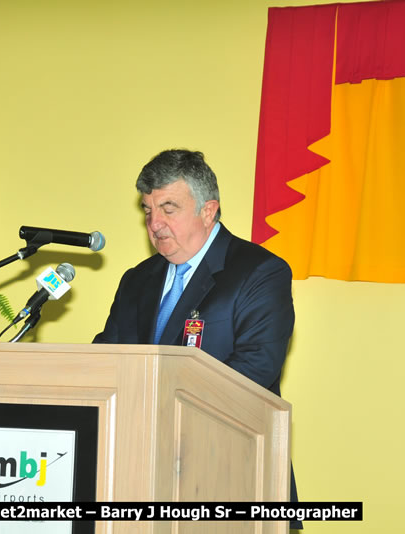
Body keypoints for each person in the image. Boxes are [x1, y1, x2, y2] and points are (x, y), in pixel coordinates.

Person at [93, 149, 301, 529]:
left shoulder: (260, 272)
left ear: (208, 211)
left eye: (168, 208)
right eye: (147, 210)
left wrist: (164, 414)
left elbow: (255, 369)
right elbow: (109, 358)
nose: (155, 223)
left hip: (230, 474)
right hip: (141, 478)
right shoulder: (136, 279)